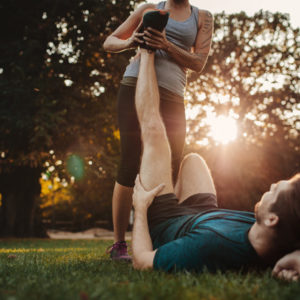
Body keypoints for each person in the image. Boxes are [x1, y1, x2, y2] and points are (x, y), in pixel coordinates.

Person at [130, 47, 300, 273]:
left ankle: (147, 51)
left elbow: (142, 262)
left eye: (276, 190)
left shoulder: (212, 248)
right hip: (203, 216)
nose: (272, 185)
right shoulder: (277, 234)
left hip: (167, 223)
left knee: (154, 131)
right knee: (193, 160)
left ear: (271, 220)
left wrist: (140, 208)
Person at [103, 0, 214, 260]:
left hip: (174, 95)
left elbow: (198, 63)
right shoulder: (148, 9)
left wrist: (165, 45)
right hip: (134, 85)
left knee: (171, 166)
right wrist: (132, 42)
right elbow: (109, 42)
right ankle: (119, 245)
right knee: (130, 163)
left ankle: (161, 235)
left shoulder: (203, 18)